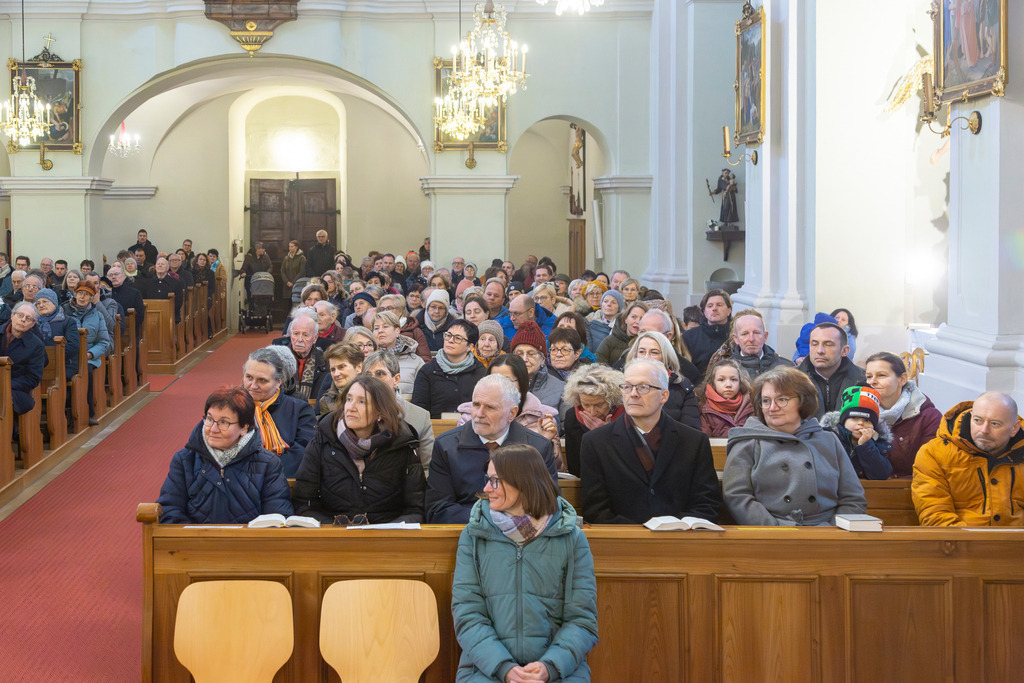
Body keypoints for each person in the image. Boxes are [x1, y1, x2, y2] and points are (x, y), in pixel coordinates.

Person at [452, 444, 598, 682]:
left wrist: (549, 667)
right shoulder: (474, 535)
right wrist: (504, 668)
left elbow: (582, 620)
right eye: (487, 479)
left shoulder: (571, 537)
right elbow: (468, 616)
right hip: (486, 668)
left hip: (558, 670)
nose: (487, 488)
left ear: (523, 482)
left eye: (495, 481)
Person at [580, 359, 720, 524]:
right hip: (622, 542)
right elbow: (595, 511)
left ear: (664, 396)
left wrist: (673, 529)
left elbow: (707, 504)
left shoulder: (694, 442)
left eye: (643, 387)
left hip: (680, 542)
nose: (633, 394)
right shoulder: (596, 442)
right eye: (627, 387)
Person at [722, 367, 867, 526]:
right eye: (766, 401)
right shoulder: (747, 442)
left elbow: (853, 498)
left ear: (803, 400)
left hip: (827, 534)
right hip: (769, 535)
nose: (772, 408)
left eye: (782, 399)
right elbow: (737, 496)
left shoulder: (829, 440)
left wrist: (832, 530)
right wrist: (776, 530)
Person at [292, 375, 425, 524]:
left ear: (381, 412)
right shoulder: (323, 439)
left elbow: (416, 508)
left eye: (362, 402)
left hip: (386, 538)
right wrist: (331, 529)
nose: (351, 408)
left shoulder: (403, 444)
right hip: (333, 536)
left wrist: (388, 533)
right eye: (349, 399)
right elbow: (304, 503)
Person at [426, 374, 558, 523]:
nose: (479, 414)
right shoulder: (446, 446)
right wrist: (493, 519)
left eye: (490, 407)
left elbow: (548, 505)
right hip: (463, 532)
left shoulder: (537, 447)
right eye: (476, 405)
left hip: (521, 537)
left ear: (512, 413)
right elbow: (437, 510)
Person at [155, 386, 293, 524]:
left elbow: (277, 516)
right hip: (196, 543)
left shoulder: (267, 463)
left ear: (244, 427)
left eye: (224, 422)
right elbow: (170, 510)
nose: (213, 429)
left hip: (249, 543)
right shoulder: (185, 460)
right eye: (209, 419)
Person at [912, 392, 1024, 527]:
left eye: (995, 424)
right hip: (956, 544)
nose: (984, 430)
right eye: (978, 420)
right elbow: (935, 514)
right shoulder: (933, 453)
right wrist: (971, 545)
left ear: (1014, 428)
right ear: (970, 418)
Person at [457, 354, 562, 471]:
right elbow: (460, 460)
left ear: (522, 383)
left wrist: (543, 443)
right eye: (494, 378)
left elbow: (556, 470)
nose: (500, 385)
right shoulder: (471, 417)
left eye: (506, 380)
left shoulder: (543, 418)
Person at [865, 352, 942, 478]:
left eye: (881, 375)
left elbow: (930, 467)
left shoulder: (929, 417)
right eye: (869, 376)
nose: (872, 382)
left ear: (902, 379)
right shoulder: (858, 413)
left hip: (910, 488)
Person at [242, 347, 317, 478]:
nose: (253, 386)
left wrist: (263, 473)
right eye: (249, 377)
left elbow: (304, 451)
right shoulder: (231, 407)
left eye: (262, 380)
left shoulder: (300, 410)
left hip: (281, 480)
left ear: (278, 381)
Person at [362, 349, 434, 476]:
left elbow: (427, 467)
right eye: (368, 375)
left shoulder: (420, 417)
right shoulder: (352, 412)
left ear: (396, 379)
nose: (373, 380)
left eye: (380, 374)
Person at [622, 330, 699, 429]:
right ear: (635, 355)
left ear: (666, 357)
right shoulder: (621, 384)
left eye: (654, 352)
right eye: (641, 352)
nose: (646, 357)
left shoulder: (683, 387)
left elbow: (691, 430)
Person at [412, 319, 487, 419]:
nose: (450, 340)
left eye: (458, 338)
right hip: (435, 430)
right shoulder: (428, 371)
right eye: (448, 335)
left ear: (470, 347)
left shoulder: (481, 373)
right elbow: (419, 409)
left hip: (470, 429)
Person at [561, 364, 625, 477]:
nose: (592, 412)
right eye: (586, 404)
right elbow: (576, 468)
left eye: (599, 405)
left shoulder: (626, 416)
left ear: (612, 400)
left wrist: (607, 435)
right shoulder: (572, 417)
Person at [63, 280, 112, 424]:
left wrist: (90, 354)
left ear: (92, 297)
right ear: (74, 294)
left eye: (86, 294)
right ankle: (65, 410)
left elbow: (104, 341)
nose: (82, 297)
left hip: (89, 356)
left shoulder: (98, 315)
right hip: (68, 355)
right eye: (80, 293)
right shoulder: (64, 311)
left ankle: (89, 412)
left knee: (86, 372)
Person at [820, 385, 894, 480]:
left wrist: (866, 445)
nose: (860, 423)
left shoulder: (879, 443)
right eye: (854, 418)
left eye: (867, 420)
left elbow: (881, 474)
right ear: (843, 421)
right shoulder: (828, 437)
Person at [797, 322, 866, 417]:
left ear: (844, 351)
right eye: (814, 344)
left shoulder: (863, 380)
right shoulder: (791, 379)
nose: (820, 350)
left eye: (828, 344)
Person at [709, 309, 794, 379]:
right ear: (735, 338)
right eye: (745, 334)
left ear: (765, 336)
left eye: (756, 333)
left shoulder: (787, 368)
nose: (751, 339)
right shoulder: (723, 371)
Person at [511, 321, 565, 420]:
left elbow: (565, 427)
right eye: (519, 354)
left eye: (531, 354)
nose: (524, 359)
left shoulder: (561, 389)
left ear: (543, 359)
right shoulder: (501, 383)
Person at [0, 302, 47, 416]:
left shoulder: (36, 345)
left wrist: (5, 384)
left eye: (28, 318)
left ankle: (9, 432)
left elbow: (32, 378)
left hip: (16, 390)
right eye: (20, 315)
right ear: (12, 316)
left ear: (32, 324)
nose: (23, 320)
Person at [274, 309, 328, 399]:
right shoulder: (278, 359)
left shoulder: (324, 362)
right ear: (290, 335)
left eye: (305, 335)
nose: (299, 339)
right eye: (296, 334)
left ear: (315, 338)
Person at [682, 288, 733, 376]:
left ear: (729, 310)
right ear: (704, 312)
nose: (714, 309)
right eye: (710, 306)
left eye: (719, 305)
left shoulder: (736, 335)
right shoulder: (689, 337)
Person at [698, 358, 754, 438]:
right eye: (721, 380)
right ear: (713, 383)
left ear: (740, 383)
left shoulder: (751, 406)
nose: (728, 385)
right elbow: (705, 441)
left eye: (733, 379)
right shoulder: (704, 410)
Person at [371, 311, 424, 394]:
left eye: (385, 327)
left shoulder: (416, 361)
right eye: (376, 328)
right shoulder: (368, 360)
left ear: (397, 331)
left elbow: (422, 395)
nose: (380, 331)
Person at [33, 288, 81, 380]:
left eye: (45, 301)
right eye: (38, 303)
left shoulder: (68, 321)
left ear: (54, 303)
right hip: (39, 364)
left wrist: (52, 356)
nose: (41, 305)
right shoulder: (33, 323)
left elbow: (73, 346)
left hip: (64, 363)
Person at [378, 293, 431, 362]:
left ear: (400, 311)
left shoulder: (415, 332)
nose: (385, 311)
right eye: (382, 309)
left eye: (390, 308)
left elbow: (425, 359)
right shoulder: (375, 332)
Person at [317, 342, 365, 416]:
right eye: (333, 369)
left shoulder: (373, 394)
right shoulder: (326, 401)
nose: (336, 374)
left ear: (359, 367)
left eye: (341, 367)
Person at [595, 301, 647, 366]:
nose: (637, 322)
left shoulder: (648, 343)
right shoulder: (610, 340)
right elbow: (597, 365)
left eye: (642, 318)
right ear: (626, 319)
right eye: (633, 317)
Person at [139, 257, 186, 323]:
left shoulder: (176, 283)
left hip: (171, 317)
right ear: (155, 267)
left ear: (167, 268)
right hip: (151, 317)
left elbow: (178, 302)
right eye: (158, 264)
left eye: (163, 264)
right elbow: (144, 299)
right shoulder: (147, 283)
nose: (160, 265)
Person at [585, 289, 623, 353]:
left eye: (613, 302)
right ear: (601, 304)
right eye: (605, 301)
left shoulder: (623, 326)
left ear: (619, 307)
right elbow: (587, 348)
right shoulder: (589, 322)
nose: (608, 304)